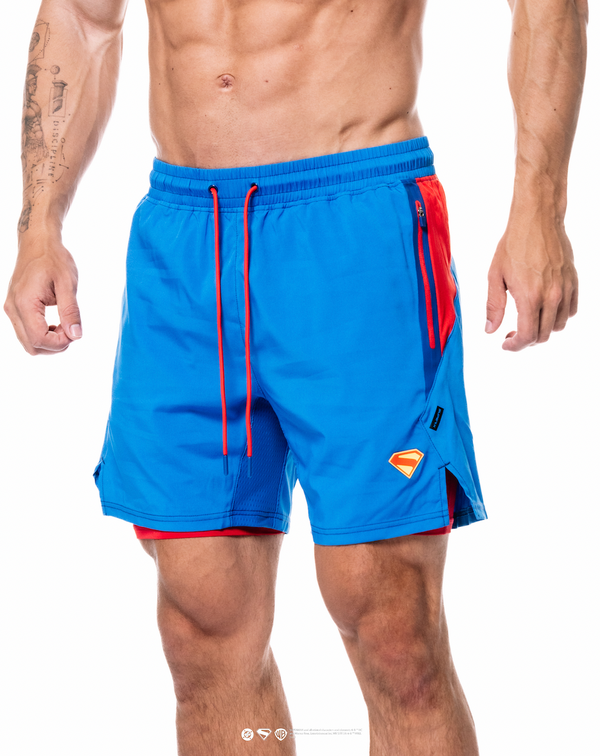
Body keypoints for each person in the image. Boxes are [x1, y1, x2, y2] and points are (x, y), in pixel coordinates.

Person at [3, 0, 587, 753]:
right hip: (184, 244)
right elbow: (82, 18)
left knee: (392, 622)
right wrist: (39, 224)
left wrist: (540, 206)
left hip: (356, 227)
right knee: (201, 626)